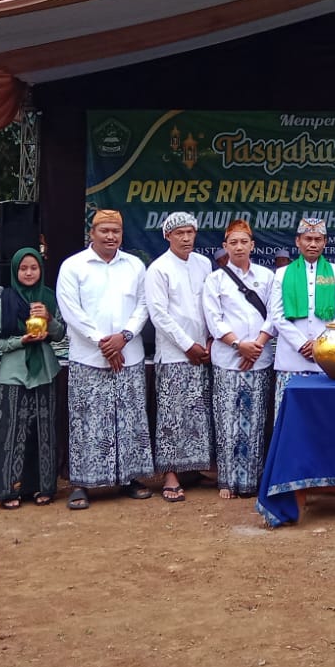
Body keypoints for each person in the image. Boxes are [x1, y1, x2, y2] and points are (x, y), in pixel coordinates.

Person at [56, 209, 155, 510]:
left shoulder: (135, 266)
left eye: (116, 231)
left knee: (130, 419)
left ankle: (132, 478)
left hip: (128, 354)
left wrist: (123, 337)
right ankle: (82, 484)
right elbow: (71, 310)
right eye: (105, 231)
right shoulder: (73, 267)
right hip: (89, 357)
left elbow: (143, 306)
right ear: (92, 233)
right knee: (87, 422)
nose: (111, 236)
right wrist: (103, 342)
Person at [201, 219, 276, 500]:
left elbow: (274, 315)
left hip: (259, 357)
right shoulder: (215, 279)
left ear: (253, 245)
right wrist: (238, 344)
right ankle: (228, 480)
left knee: (255, 420)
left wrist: (256, 345)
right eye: (233, 242)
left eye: (244, 241)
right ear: (225, 247)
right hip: (227, 360)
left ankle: (254, 479)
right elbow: (214, 319)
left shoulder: (266, 277)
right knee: (227, 419)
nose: (239, 247)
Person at [144, 210, 215, 503]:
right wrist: (188, 345)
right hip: (174, 354)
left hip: (204, 351)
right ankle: (171, 475)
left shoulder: (204, 264)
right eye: (179, 234)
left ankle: (194, 468)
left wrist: (210, 339)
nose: (186, 238)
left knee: (198, 413)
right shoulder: (158, 269)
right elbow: (159, 315)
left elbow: (212, 304)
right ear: (167, 236)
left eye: (190, 233)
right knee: (172, 416)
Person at [0, 247, 67, 509]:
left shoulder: (48, 297)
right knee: (12, 430)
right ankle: (10, 489)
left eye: (33, 267)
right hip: (13, 372)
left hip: (45, 370)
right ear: (14, 271)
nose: (28, 272)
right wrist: (20, 340)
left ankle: (43, 487)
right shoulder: (5, 301)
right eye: (23, 268)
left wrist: (49, 321)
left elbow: (59, 334)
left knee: (43, 431)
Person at [265, 217, 335, 416]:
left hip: (327, 360)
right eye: (308, 238)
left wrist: (319, 344)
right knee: (291, 418)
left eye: (318, 239)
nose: (313, 244)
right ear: (298, 241)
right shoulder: (282, 274)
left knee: (325, 417)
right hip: (291, 359)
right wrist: (301, 343)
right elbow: (276, 314)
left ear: (325, 242)